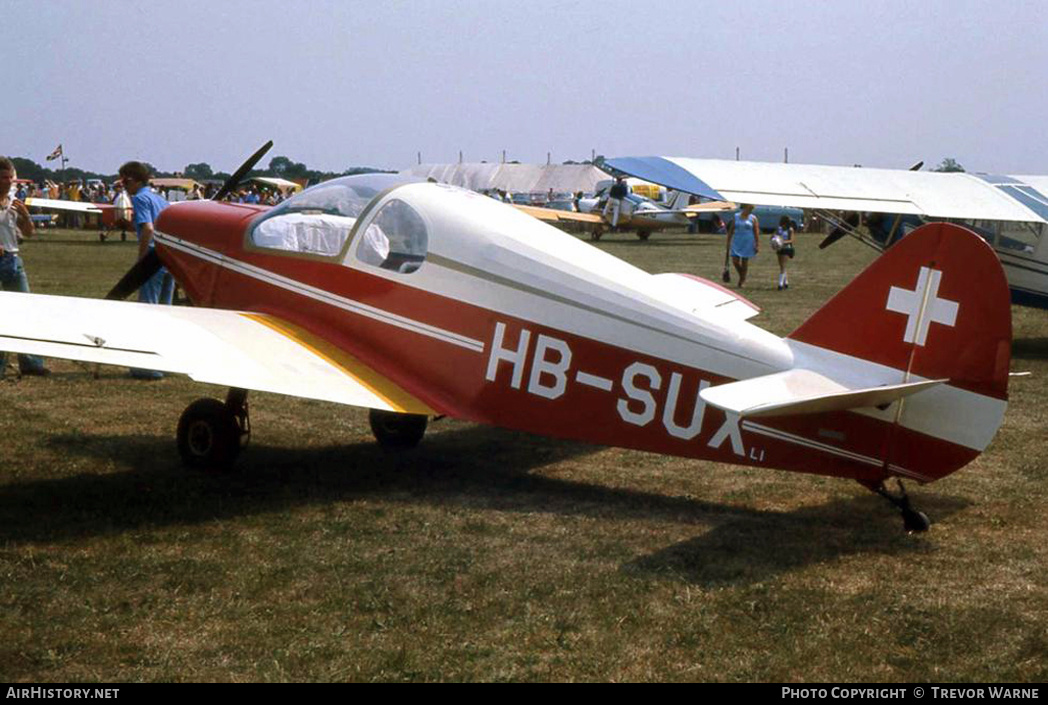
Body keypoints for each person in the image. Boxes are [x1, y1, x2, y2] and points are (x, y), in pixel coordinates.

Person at [118, 161, 173, 379]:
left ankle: (146, 366)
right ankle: (165, 361)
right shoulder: (160, 199)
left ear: (136, 180)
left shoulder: (140, 198)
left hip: (153, 260)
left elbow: (147, 229)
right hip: (170, 259)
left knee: (148, 310)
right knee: (167, 312)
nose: (124, 185)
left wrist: (141, 260)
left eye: (126, 180)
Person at [0, 157, 50, 377]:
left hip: (13, 259)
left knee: (25, 310)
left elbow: (29, 233)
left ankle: (30, 361)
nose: (9, 181)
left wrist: (26, 216)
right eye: (4, 177)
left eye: (11, 177)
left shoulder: (13, 202)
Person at [724, 204, 760, 287]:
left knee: (744, 261)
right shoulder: (736, 216)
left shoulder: (753, 218)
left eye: (751, 210)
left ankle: (742, 280)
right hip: (737, 240)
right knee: (735, 261)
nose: (750, 211)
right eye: (749, 209)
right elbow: (731, 230)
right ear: (745, 208)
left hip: (748, 241)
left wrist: (757, 244)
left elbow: (756, 231)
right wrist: (728, 241)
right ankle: (742, 276)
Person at [774, 215, 796, 290]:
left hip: (786, 248)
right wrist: (774, 239)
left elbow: (791, 240)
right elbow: (775, 236)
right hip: (779, 248)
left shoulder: (790, 230)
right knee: (782, 266)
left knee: (783, 266)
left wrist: (783, 242)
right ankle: (786, 282)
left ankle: (780, 284)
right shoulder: (779, 229)